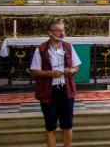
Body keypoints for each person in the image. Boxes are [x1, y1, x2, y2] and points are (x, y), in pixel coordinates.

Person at [30, 19, 81, 147]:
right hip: (49, 92)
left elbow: (76, 67)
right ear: (50, 33)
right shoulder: (41, 49)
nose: (62, 33)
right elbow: (34, 71)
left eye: (63, 30)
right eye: (57, 30)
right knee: (50, 126)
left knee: (67, 125)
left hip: (66, 90)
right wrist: (50, 73)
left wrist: (71, 70)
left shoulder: (68, 47)